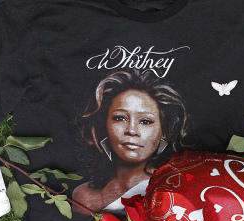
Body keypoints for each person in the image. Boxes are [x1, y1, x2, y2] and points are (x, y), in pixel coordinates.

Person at [73, 70, 193, 213]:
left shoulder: (177, 191)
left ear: (165, 132)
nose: (131, 130)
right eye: (119, 118)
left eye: (145, 121)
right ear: (104, 125)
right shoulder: (84, 197)